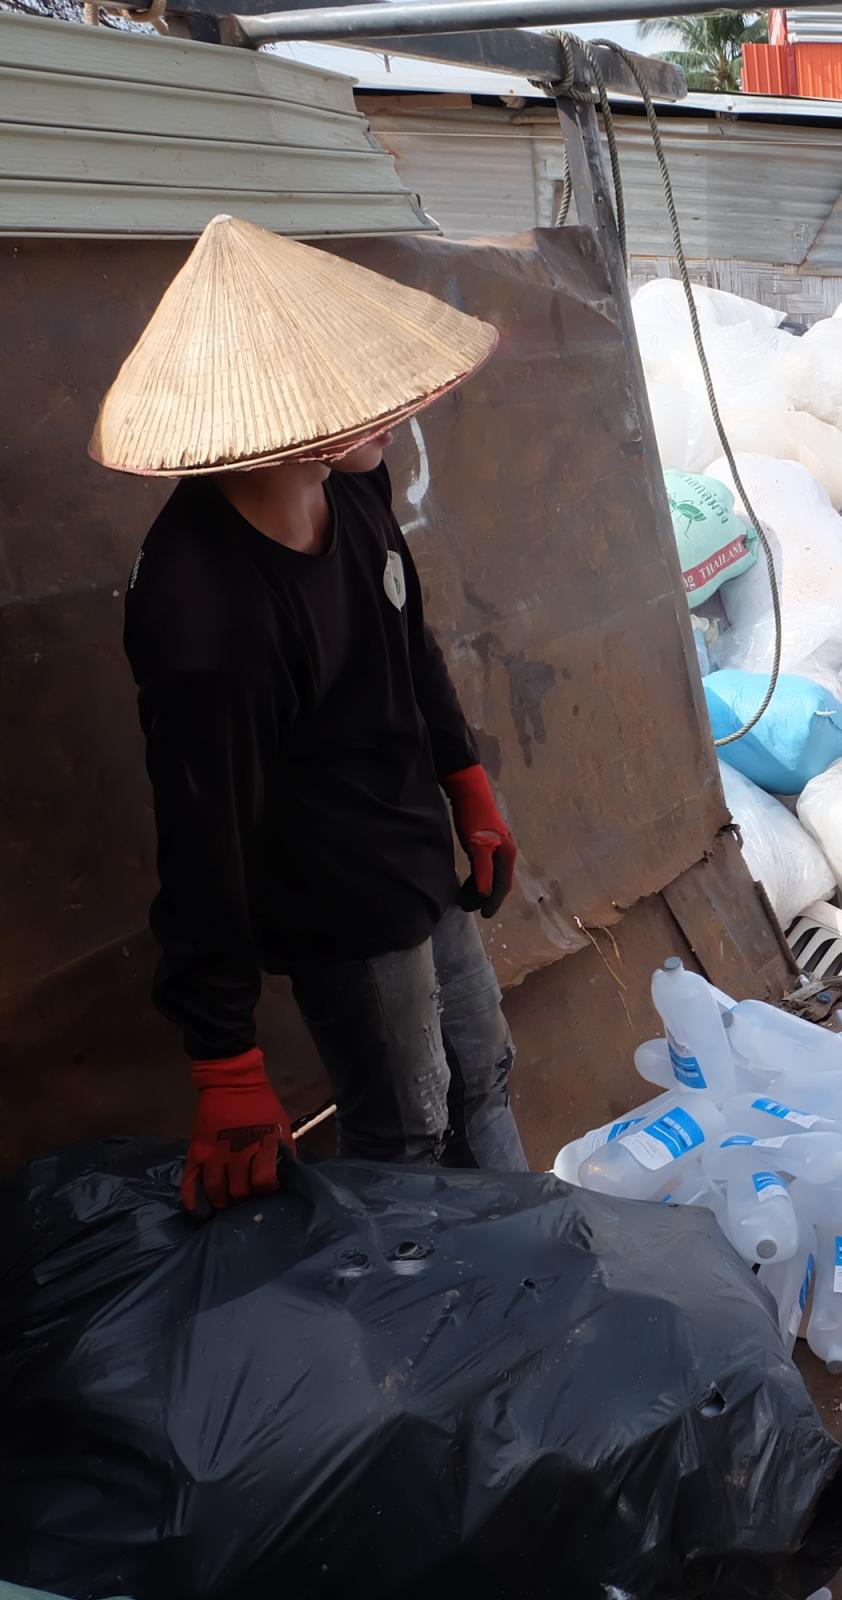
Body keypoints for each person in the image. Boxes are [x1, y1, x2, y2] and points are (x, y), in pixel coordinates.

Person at [93, 214, 525, 1213]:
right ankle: (408, 1334)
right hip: (336, 897)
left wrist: (467, 785)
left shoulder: (354, 489)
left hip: (414, 847)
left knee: (484, 1073)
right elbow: (203, 840)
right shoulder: (206, 611)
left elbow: (405, 638)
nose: (387, 411)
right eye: (350, 392)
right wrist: (223, 1054)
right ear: (279, 420)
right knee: (404, 1127)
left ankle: (536, 1269)